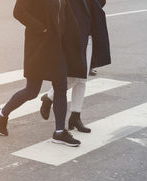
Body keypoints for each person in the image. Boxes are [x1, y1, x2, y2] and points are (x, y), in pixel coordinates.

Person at [0, 0, 85, 146]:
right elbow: (19, 12)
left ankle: (59, 132)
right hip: (39, 47)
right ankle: (1, 114)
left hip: (57, 46)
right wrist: (42, 29)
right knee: (32, 90)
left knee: (61, 87)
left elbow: (65, 14)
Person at [39, 0, 111, 133]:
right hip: (74, 37)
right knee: (74, 77)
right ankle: (50, 97)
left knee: (82, 79)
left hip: (90, 35)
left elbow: (100, 3)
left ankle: (75, 116)